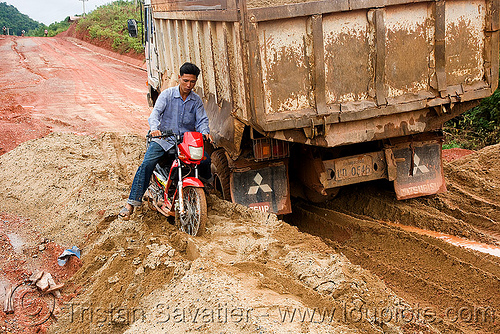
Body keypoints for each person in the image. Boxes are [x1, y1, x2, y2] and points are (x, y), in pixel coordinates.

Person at [119, 62, 212, 220]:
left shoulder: (196, 101)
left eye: (192, 82)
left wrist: (205, 132)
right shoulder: (167, 95)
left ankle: (202, 191)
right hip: (163, 139)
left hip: (184, 142)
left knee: (204, 161)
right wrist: (155, 128)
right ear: (179, 78)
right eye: (186, 81)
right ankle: (131, 203)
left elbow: (202, 120)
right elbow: (155, 115)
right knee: (147, 164)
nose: (189, 85)